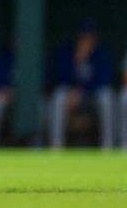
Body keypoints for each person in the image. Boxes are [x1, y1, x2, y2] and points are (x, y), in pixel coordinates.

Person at [48, 21, 114, 149]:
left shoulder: (101, 53)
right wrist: (77, 59)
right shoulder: (67, 52)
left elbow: (104, 79)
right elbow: (59, 77)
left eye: (90, 39)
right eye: (84, 38)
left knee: (106, 96)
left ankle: (108, 143)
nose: (87, 42)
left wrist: (83, 91)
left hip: (92, 95)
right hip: (71, 94)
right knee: (59, 95)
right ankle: (56, 143)